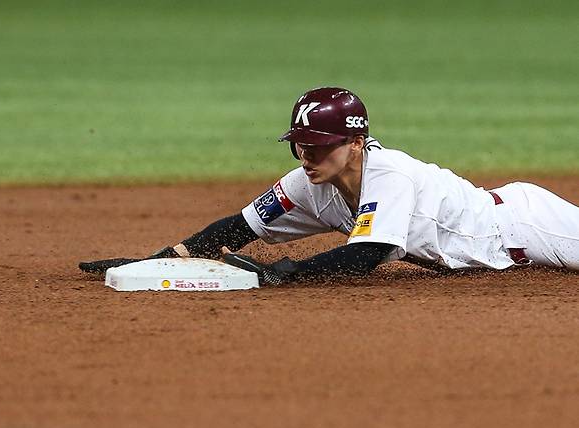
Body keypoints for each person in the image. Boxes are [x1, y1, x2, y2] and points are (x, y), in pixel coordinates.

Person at [79, 87, 579, 285]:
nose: (307, 155)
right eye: (301, 143)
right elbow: (240, 227)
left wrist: (290, 272)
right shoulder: (309, 183)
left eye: (320, 144)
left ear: (357, 142)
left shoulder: (391, 173)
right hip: (493, 241)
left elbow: (373, 250)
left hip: (525, 224)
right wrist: (156, 258)